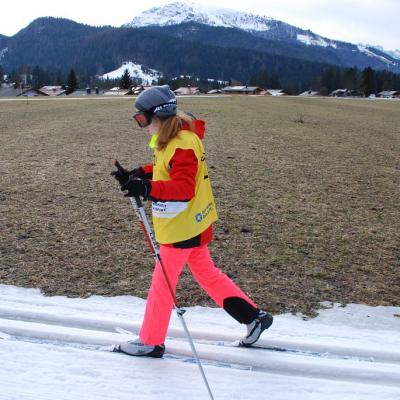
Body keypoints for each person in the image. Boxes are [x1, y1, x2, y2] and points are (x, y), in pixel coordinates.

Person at [111, 85, 273, 358]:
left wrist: (146, 189)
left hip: (181, 228)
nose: (142, 126)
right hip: (193, 223)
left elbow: (183, 188)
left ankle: (150, 341)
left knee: (162, 285)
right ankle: (253, 317)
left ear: (158, 115)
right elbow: (169, 167)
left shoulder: (181, 144)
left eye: (142, 119)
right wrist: (141, 174)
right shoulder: (178, 137)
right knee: (206, 273)